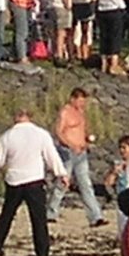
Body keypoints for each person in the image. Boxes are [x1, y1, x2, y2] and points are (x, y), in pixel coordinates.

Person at [0, 108, 68, 256]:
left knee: (7, 215)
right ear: (30, 116)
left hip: (14, 180)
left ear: (17, 116)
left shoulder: (8, 136)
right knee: (38, 218)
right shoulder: (41, 134)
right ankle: (42, 251)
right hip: (34, 180)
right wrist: (61, 173)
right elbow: (51, 156)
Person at [47, 88, 107, 227]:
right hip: (67, 152)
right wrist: (71, 145)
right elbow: (59, 132)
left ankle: (95, 216)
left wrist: (87, 140)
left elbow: (82, 129)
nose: (82, 104)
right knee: (63, 182)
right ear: (72, 99)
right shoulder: (65, 112)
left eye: (83, 102)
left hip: (81, 153)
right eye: (80, 101)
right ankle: (51, 213)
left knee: (85, 184)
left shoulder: (81, 112)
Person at [96, 0, 128, 75]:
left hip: (102, 8)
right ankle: (114, 64)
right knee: (115, 36)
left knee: (104, 35)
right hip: (115, 8)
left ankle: (104, 62)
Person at [105, 135, 129, 238]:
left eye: (124, 148)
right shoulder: (119, 164)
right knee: (122, 229)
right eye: (120, 147)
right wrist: (114, 172)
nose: (122, 150)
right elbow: (108, 183)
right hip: (121, 198)